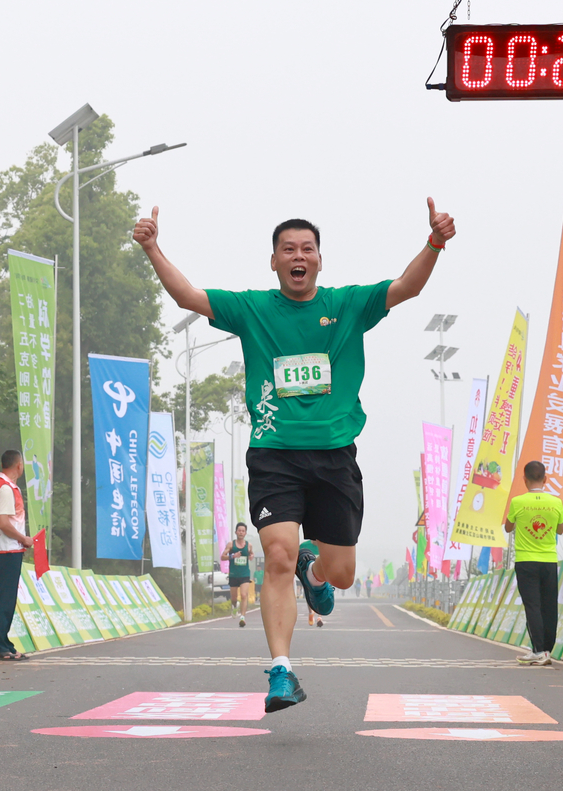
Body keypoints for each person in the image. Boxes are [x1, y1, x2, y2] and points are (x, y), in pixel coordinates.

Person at [133, 199, 456, 713]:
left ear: (319, 260)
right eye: (288, 249)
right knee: (278, 554)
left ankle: (317, 571)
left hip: (334, 457)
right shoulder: (253, 309)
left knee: (342, 573)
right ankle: (281, 670)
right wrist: (153, 247)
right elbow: (189, 297)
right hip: (274, 454)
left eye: (307, 248)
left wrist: (435, 242)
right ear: (274, 261)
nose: (298, 256)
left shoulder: (348, 304)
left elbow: (406, 287)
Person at [505, 460, 563, 667]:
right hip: (549, 560)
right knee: (549, 605)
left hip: (526, 561)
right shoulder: (556, 502)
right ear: (545, 479)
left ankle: (538, 650)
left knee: (533, 605)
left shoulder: (517, 502)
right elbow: (560, 530)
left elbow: (508, 527)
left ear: (525, 479)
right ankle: (546, 649)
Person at [0, 449, 34, 660]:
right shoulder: (5, 488)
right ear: (18, 465)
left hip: (8, 549)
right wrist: (23, 538)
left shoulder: (5, 486)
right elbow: (4, 523)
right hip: (6, 549)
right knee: (3, 599)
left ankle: (4, 644)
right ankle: (0, 647)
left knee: (6, 599)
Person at [222, 522, 254, 626]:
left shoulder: (249, 545)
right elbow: (222, 557)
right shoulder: (231, 544)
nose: (241, 532)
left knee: (244, 595)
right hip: (233, 574)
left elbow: (251, 553)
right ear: (236, 532)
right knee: (234, 598)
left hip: (244, 574)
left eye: (243, 531)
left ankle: (243, 617)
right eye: (239, 530)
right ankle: (235, 606)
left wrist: (251, 556)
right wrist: (233, 556)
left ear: (245, 533)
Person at [300, 539, 324, 627]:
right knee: (309, 594)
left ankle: (319, 616)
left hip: (322, 575)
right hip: (308, 575)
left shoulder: (325, 545)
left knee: (322, 594)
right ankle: (311, 612)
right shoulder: (303, 546)